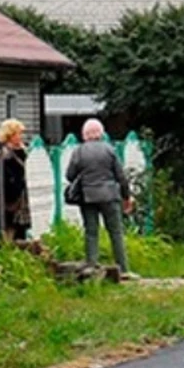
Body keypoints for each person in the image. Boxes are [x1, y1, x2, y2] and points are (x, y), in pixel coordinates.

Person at [66, 119, 138, 280]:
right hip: (110, 196)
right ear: (101, 133)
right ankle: (124, 269)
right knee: (116, 232)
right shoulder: (109, 150)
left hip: (87, 196)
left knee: (91, 231)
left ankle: (91, 264)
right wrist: (126, 197)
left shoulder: (78, 151)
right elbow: (121, 176)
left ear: (84, 135)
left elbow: (70, 175)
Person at [0, 119, 31, 242]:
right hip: (9, 196)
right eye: (18, 134)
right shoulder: (3, 154)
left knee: (21, 226)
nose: (21, 137)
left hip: (22, 195)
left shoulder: (23, 151)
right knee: (10, 225)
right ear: (10, 135)